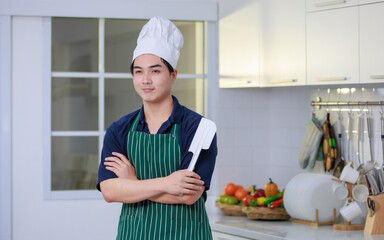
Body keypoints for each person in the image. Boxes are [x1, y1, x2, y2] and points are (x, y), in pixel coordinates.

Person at [97, 16, 217, 240]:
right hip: (134, 234)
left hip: (186, 235)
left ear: (173, 75)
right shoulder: (119, 129)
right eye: (138, 71)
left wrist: (132, 185)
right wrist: (167, 183)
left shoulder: (198, 128)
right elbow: (110, 191)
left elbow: (188, 196)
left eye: (155, 71)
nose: (145, 80)